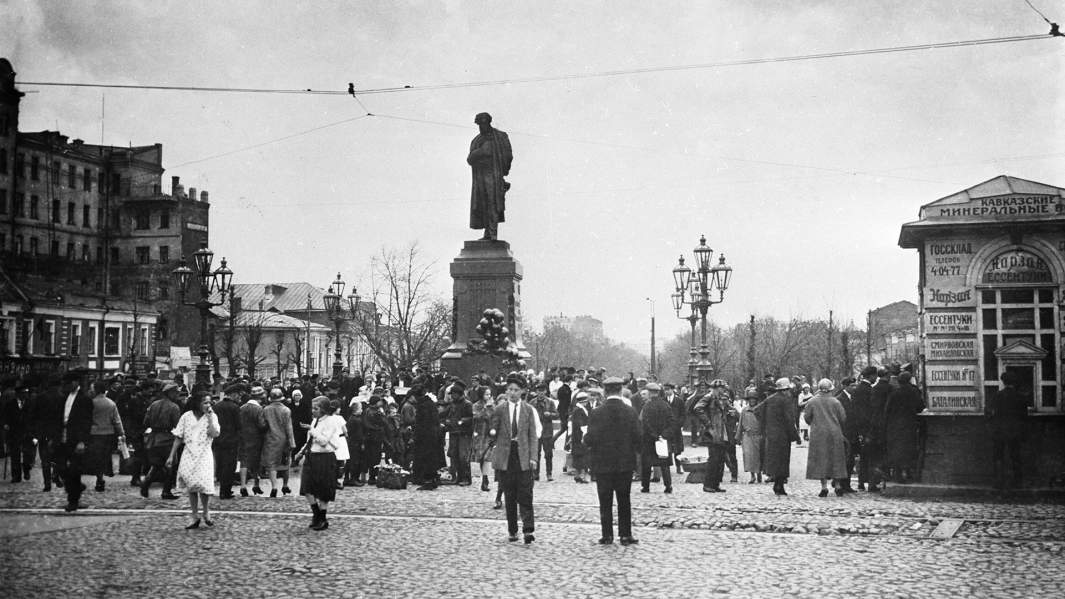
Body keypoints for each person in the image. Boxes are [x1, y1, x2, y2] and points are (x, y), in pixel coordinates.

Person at [584, 376, 640, 546]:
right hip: (624, 464)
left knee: (605, 500)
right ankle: (625, 534)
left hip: (603, 465)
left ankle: (607, 535)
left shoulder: (596, 413)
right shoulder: (631, 412)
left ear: (605, 391)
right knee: (624, 499)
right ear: (621, 390)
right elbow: (638, 438)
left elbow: (590, 439)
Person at [489, 373, 540, 544]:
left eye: (516, 390)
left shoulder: (528, 410)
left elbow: (533, 435)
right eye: (510, 389)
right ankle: (512, 529)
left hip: (523, 456)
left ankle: (528, 529)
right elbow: (492, 429)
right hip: (506, 456)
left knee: (525, 493)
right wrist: (492, 432)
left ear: (523, 391)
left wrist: (533, 457)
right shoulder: (500, 409)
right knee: (509, 494)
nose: (512, 393)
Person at [167, 391, 220, 529]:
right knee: (192, 485)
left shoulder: (212, 416)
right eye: (205, 402)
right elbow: (179, 436)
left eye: (209, 402)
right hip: (189, 452)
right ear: (197, 403)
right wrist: (171, 455)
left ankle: (206, 512)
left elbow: (214, 433)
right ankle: (194, 515)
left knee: (204, 483)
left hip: (204, 452)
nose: (208, 405)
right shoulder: (186, 416)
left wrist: (209, 419)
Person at [295, 397, 342, 531]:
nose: (313, 411)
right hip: (312, 456)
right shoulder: (315, 420)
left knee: (323, 489)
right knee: (307, 487)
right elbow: (310, 440)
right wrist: (301, 452)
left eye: (316, 408)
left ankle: (322, 518)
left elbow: (323, 441)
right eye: (313, 408)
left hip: (325, 457)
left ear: (324, 409)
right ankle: (316, 513)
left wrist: (312, 429)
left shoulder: (331, 421)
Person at [50, 370, 94, 511]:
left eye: (68, 383)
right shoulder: (63, 398)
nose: (66, 386)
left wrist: (82, 441)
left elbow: (86, 422)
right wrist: (54, 437)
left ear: (76, 382)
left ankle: (73, 501)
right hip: (62, 436)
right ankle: (76, 488)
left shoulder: (85, 399)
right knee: (61, 468)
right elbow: (57, 418)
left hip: (75, 439)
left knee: (75, 470)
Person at [467, 111, 513, 240]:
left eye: (483, 123)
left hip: (494, 174)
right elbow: (469, 159)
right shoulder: (476, 140)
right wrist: (480, 152)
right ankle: (488, 233)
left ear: (488, 122)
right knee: (483, 203)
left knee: (492, 202)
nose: (481, 126)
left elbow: (508, 155)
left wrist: (503, 171)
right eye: (479, 124)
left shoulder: (500, 136)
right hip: (480, 175)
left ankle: (492, 233)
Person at [803, 379, 848, 497]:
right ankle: (837, 485)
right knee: (836, 459)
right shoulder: (836, 402)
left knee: (821, 459)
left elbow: (807, 418)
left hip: (818, 434)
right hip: (834, 433)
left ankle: (824, 487)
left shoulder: (812, 402)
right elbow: (843, 418)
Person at [986, 370, 1028, 490]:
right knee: (1015, 456)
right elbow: (1024, 418)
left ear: (1003, 382)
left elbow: (990, 414)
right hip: (1015, 431)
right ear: (1014, 382)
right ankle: (1017, 483)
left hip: (1000, 431)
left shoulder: (997, 396)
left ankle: (999, 482)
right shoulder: (1021, 397)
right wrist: (1023, 433)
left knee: (998, 456)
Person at [758, 377, 800, 496]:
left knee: (774, 460)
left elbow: (757, 411)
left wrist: (765, 426)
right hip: (783, 435)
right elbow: (789, 420)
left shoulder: (769, 399)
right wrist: (796, 436)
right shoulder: (786, 400)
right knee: (783, 460)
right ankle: (779, 485)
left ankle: (777, 483)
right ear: (785, 389)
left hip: (771, 434)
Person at [141, 382, 183, 500]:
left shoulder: (153, 405)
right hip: (167, 440)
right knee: (170, 465)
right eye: (175, 392)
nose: (177, 395)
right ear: (170, 393)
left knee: (156, 464)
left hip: (153, 439)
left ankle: (146, 483)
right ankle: (166, 491)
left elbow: (145, 422)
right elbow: (177, 425)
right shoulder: (174, 407)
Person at [88, 379, 125, 493]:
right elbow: (117, 421)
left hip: (94, 434)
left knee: (96, 457)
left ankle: (99, 478)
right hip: (108, 434)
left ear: (96, 390)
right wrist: (122, 433)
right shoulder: (111, 403)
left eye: (92, 389)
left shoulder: (91, 403)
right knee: (104, 456)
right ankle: (103, 476)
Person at [694, 381, 731, 493]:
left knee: (720, 459)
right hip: (713, 432)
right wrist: (708, 424)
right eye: (721, 387)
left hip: (720, 432)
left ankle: (715, 484)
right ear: (716, 388)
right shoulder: (709, 397)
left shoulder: (718, 398)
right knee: (714, 459)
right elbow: (697, 408)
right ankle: (708, 484)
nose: (723, 390)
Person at [638, 382, 673, 494]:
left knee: (647, 464)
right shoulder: (666, 405)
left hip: (649, 440)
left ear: (649, 393)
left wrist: (655, 435)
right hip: (663, 440)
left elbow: (645, 423)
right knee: (665, 464)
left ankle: (645, 486)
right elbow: (671, 421)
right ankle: (668, 486)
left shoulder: (647, 406)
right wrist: (664, 435)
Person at [260, 388, 295, 497]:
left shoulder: (266, 410)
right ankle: (285, 485)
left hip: (270, 439)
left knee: (272, 465)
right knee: (285, 463)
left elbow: (262, 425)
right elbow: (289, 427)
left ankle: (274, 487)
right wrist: (292, 442)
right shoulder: (286, 410)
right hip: (283, 439)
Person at [411, 384, 445, 490]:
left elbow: (422, 423)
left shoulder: (423, 406)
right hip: (433, 435)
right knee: (432, 458)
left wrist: (416, 436)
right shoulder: (430, 403)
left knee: (426, 458)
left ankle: (428, 480)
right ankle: (432, 479)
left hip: (426, 437)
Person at [3, 379, 36, 484]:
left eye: (26, 393)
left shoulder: (31, 404)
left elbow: (35, 417)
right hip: (14, 432)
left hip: (28, 432)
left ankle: (26, 469)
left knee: (28, 454)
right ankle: (16, 476)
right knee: (15, 455)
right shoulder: (10, 404)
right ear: (17, 394)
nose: (25, 395)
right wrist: (5, 424)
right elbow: (4, 417)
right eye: (23, 393)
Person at [212, 384, 242, 499]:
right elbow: (239, 425)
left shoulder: (216, 406)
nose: (239, 397)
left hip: (218, 440)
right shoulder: (235, 407)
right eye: (238, 395)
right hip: (231, 441)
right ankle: (226, 490)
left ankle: (222, 490)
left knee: (221, 465)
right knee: (230, 466)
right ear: (233, 394)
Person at [238, 386, 267, 496]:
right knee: (256, 462)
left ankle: (243, 486)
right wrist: (267, 425)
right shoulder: (259, 409)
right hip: (256, 438)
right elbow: (261, 425)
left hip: (243, 437)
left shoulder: (242, 407)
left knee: (244, 462)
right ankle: (256, 484)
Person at [444, 381, 474, 486]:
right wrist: (447, 421)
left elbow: (471, 417)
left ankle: (466, 478)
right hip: (454, 432)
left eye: (453, 394)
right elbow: (447, 415)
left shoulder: (467, 404)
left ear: (459, 393)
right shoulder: (452, 404)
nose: (452, 396)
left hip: (464, 433)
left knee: (463, 456)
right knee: (454, 455)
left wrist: (462, 421)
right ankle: (458, 477)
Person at [528, 382, 557, 482]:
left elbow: (557, 415)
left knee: (548, 454)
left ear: (546, 391)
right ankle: (536, 473)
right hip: (536, 431)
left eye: (543, 390)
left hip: (547, 431)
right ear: (536, 391)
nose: (541, 393)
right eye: (539, 391)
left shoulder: (550, 402)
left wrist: (550, 414)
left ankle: (549, 473)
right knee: (536, 453)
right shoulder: (532, 402)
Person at [471, 386, 496, 492]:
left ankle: (485, 480)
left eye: (489, 394)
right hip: (479, 434)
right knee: (480, 457)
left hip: (488, 434)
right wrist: (485, 408)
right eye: (486, 394)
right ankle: (483, 477)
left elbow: (494, 417)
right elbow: (476, 417)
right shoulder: (476, 405)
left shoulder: (492, 406)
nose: (488, 396)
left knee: (487, 457)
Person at [737, 393, 764, 484]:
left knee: (758, 455)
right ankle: (752, 475)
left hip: (758, 435)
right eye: (750, 399)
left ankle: (758, 473)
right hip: (747, 436)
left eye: (754, 399)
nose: (752, 401)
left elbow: (764, 422)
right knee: (748, 455)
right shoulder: (744, 410)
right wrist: (738, 437)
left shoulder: (760, 409)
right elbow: (740, 423)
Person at [569, 392, 592, 484]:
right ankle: (581, 475)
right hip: (580, 436)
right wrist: (585, 434)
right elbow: (581, 424)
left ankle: (577, 475)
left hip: (576, 436)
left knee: (578, 455)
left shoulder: (577, 409)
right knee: (582, 455)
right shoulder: (579, 410)